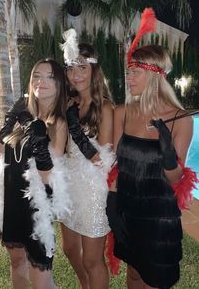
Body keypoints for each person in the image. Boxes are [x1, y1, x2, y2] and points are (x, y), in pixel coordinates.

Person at [107, 44, 194, 289]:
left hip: (158, 218)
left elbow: (177, 180)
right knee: (134, 274)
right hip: (128, 210)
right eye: (128, 71)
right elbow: (115, 164)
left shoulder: (181, 119)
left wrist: (168, 156)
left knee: (155, 281)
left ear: (155, 75)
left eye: (136, 72)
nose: (129, 77)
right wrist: (112, 206)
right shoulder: (122, 112)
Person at [0, 58, 70, 289]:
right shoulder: (22, 111)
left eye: (49, 76)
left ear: (59, 83)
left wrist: (40, 140)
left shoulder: (59, 123)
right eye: (36, 76)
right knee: (16, 262)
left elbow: (49, 177)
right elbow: (2, 152)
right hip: (11, 201)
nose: (40, 81)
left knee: (41, 279)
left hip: (36, 207)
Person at [59, 31, 114, 289]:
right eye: (71, 68)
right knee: (69, 249)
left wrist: (78, 132)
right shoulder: (68, 102)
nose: (76, 74)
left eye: (82, 67)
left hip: (92, 189)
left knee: (93, 260)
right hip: (67, 184)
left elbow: (104, 157)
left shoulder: (103, 107)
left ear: (93, 70)